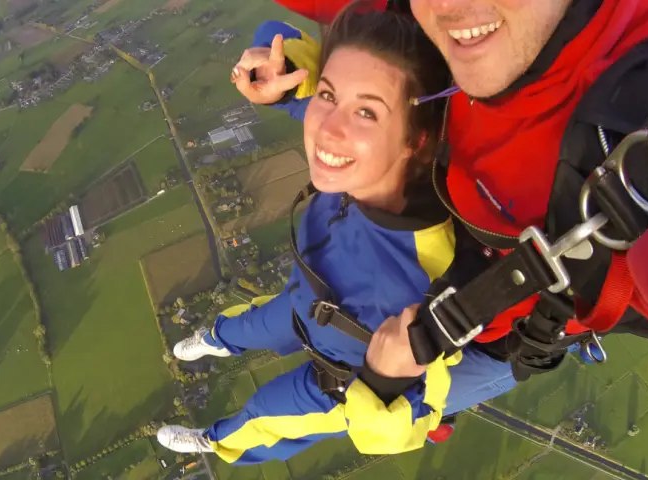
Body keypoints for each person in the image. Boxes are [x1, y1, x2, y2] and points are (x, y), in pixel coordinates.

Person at [155, 9, 517, 465]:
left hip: (342, 379)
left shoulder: (432, 274)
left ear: (417, 141)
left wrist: (383, 382)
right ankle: (214, 338)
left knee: (263, 418)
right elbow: (282, 42)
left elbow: (406, 422)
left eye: (366, 111)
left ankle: (213, 440)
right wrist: (284, 69)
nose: (327, 128)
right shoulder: (371, 155)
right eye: (328, 95)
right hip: (302, 302)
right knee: (244, 325)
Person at [241, 0, 648, 389]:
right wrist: (295, 72)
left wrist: (389, 396)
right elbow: (364, 42)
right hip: (431, 296)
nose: (446, 7)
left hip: (482, 339)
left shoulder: (631, 132)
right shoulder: (441, 25)